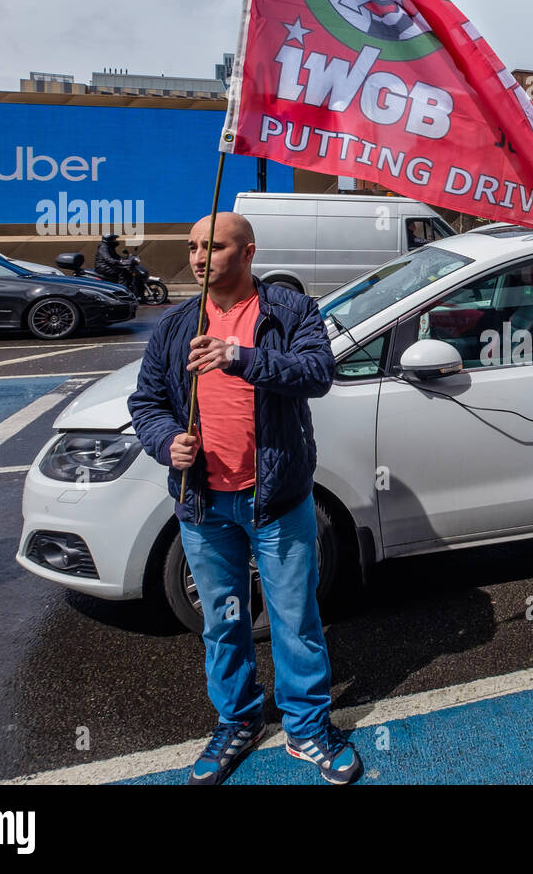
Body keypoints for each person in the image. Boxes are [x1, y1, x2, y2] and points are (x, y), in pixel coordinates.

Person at [127, 212, 362, 785]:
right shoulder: (175, 325)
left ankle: (307, 729)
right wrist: (165, 443)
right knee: (223, 622)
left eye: (215, 246)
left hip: (277, 499)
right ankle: (238, 721)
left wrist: (238, 356)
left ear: (248, 251)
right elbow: (146, 402)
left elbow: (316, 373)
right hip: (204, 505)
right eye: (192, 247)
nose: (199, 257)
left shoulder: (290, 311)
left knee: (295, 618)